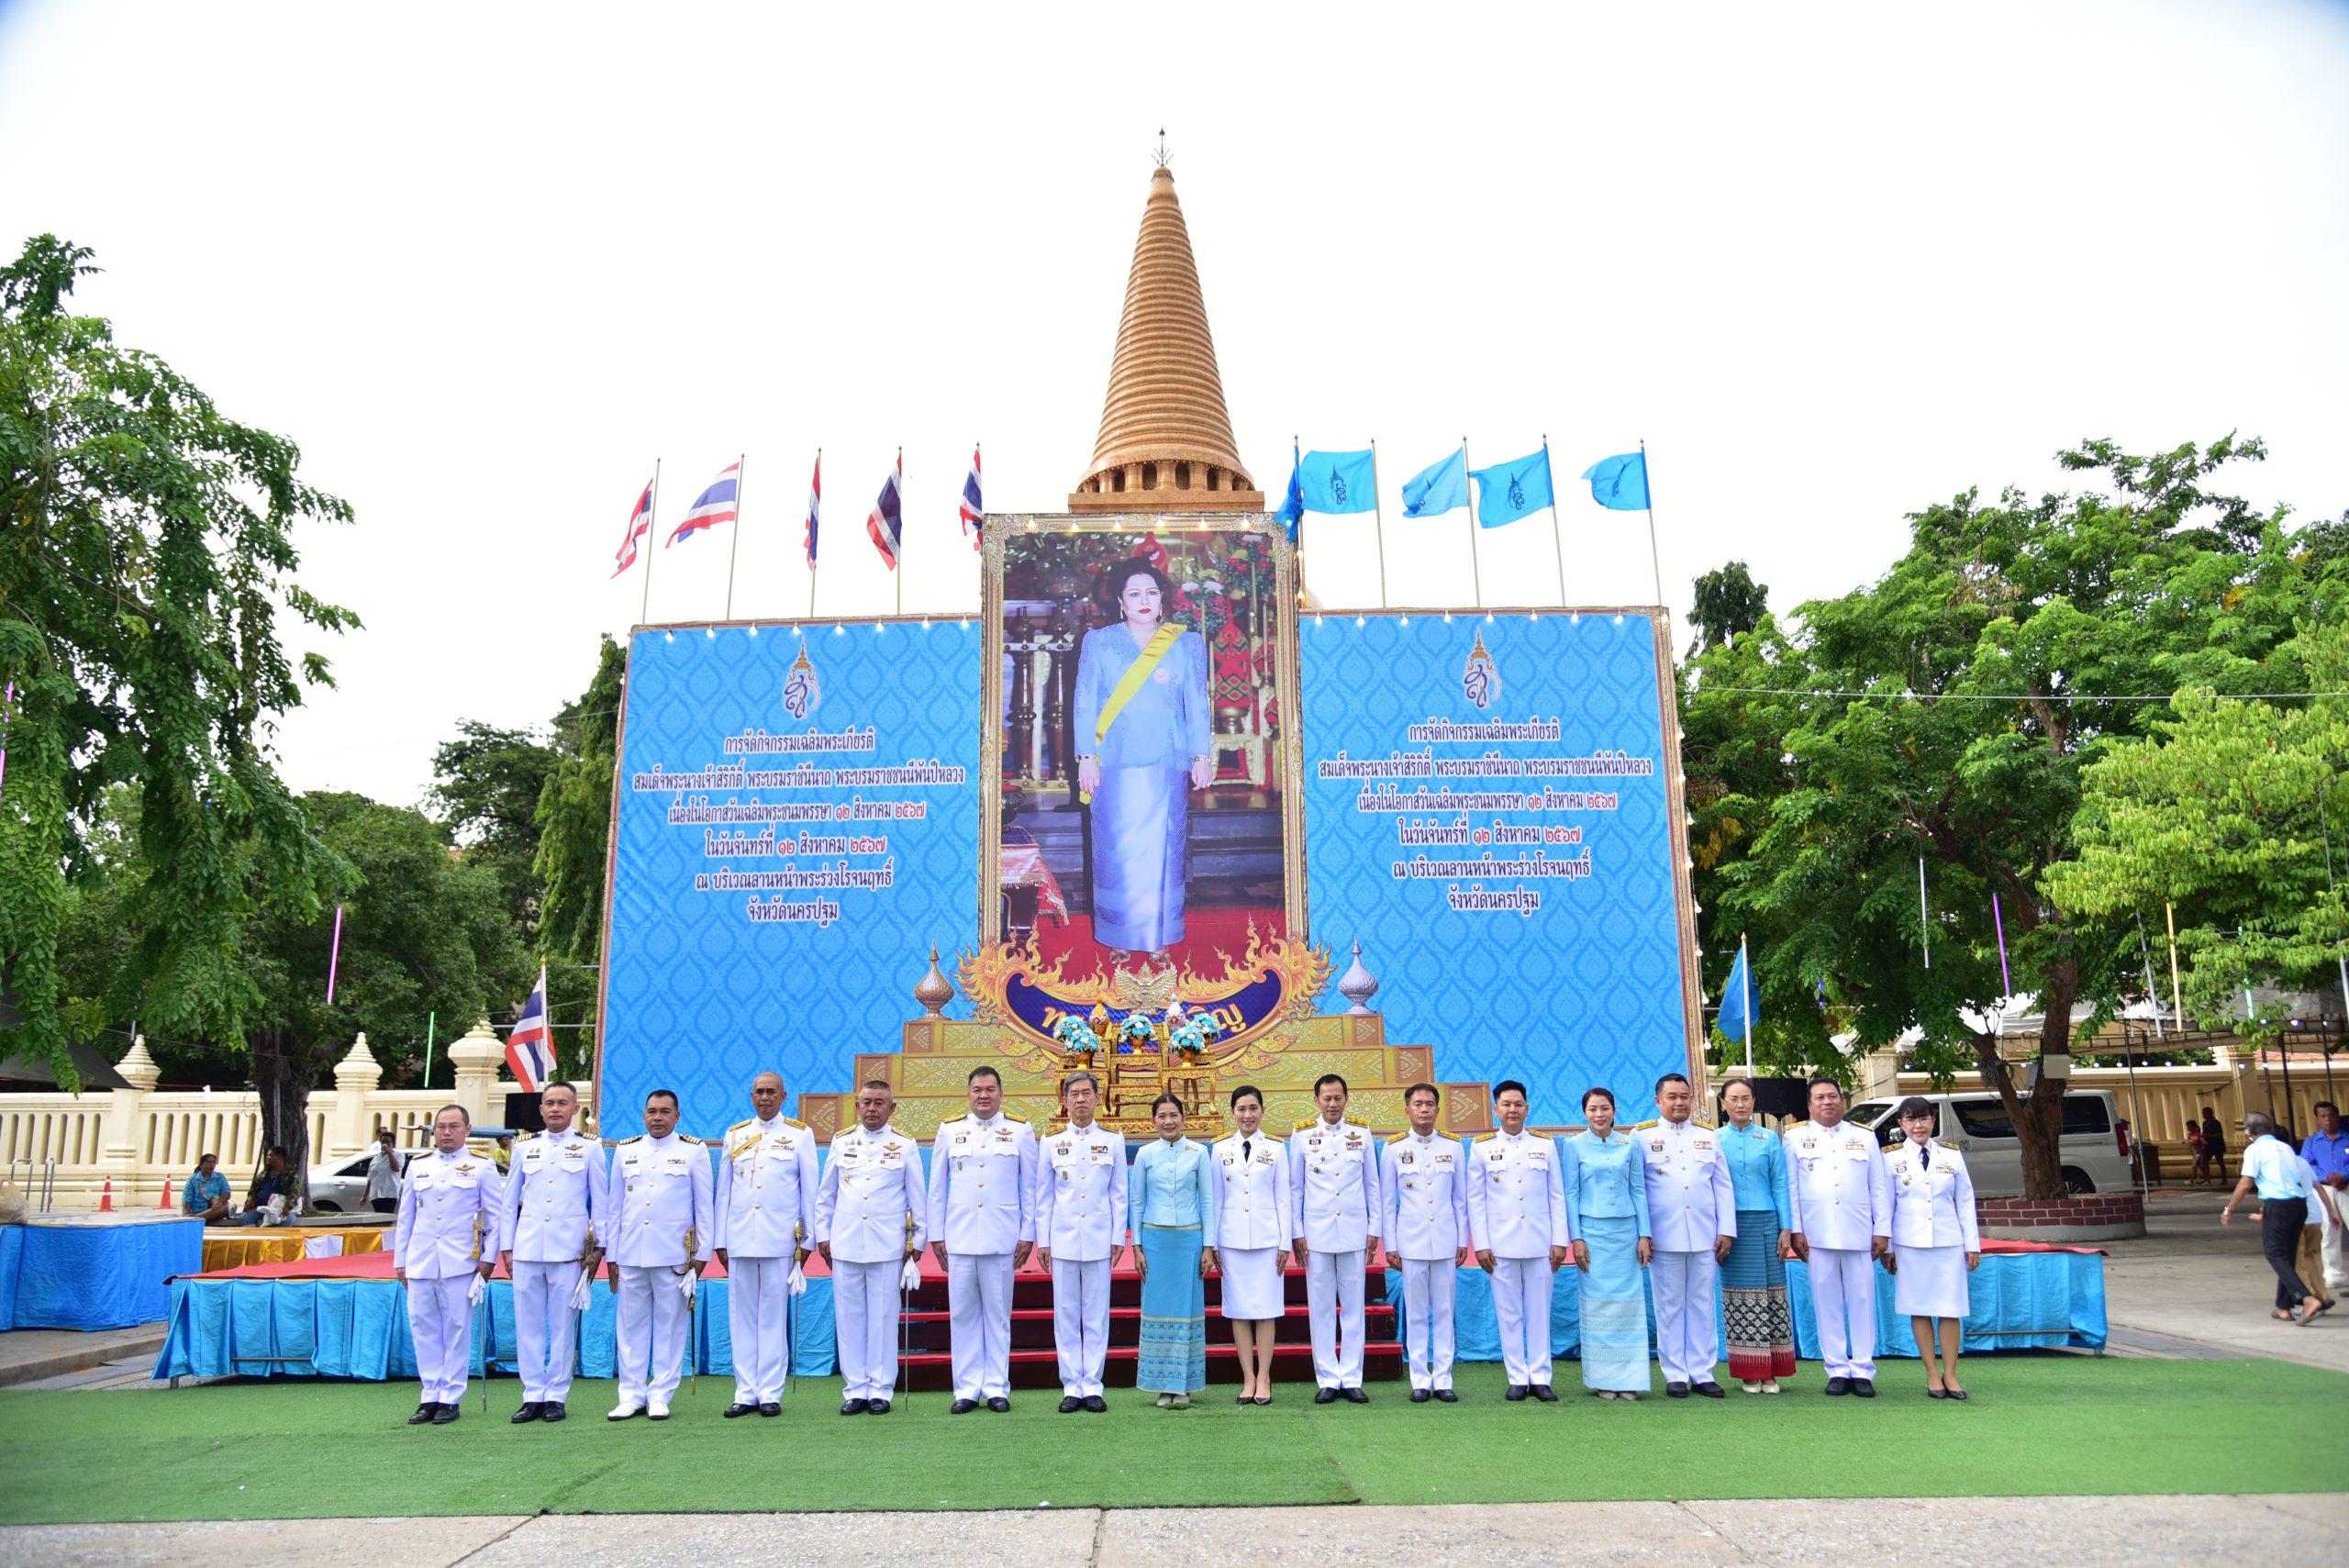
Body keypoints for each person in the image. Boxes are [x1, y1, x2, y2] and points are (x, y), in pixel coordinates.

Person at [1071, 560, 1213, 965]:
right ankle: (1119, 932)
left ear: (1161, 596)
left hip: (1167, 759)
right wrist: (1086, 757)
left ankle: (1158, 936)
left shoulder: (1186, 643)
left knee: (1164, 850)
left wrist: (1201, 755)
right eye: (1134, 593)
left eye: (1151, 592)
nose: (1144, 600)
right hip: (1113, 761)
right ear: (1120, 601)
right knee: (1116, 852)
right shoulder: (1099, 642)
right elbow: (1085, 702)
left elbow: (1197, 704)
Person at [927, 1064, 1036, 1413]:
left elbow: (1031, 1188)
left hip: (1002, 1236)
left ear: (1001, 1093)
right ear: (968, 1094)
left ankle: (996, 1387)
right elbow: (936, 1189)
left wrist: (1028, 1232)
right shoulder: (949, 1130)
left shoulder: (1020, 1131)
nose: (983, 1095)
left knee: (998, 1315)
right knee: (963, 1315)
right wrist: (936, 1234)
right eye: (977, 1090)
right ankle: (966, 1389)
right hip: (958, 1237)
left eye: (990, 1089)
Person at [815, 1080, 927, 1416]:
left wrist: (917, 1241)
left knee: (882, 1317)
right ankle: (855, 1389)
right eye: (866, 1102)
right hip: (846, 1242)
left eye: (880, 1103)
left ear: (892, 1108)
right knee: (850, 1319)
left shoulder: (904, 1145)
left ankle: (881, 1389)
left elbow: (916, 1197)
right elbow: (827, 1195)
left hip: (887, 1244)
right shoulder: (841, 1141)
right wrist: (823, 1236)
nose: (872, 1108)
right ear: (857, 1105)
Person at [497, 1080, 606, 1423]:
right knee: (527, 1324)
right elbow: (507, 1204)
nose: (555, 1108)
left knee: (562, 1324)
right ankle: (532, 1393)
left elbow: (600, 1203)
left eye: (563, 1103)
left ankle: (556, 1393)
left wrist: (599, 1246)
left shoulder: (590, 1148)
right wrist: (507, 1247)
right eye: (549, 1103)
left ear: (576, 1109)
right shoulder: (524, 1147)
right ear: (541, 1109)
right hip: (529, 1246)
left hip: (568, 1250)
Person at [714, 1071, 818, 1419]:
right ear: (751, 1095)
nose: (765, 1098)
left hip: (779, 1240)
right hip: (741, 1238)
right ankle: (745, 1391)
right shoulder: (735, 1135)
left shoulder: (800, 1136)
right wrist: (720, 1241)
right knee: (741, 1318)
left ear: (784, 1096)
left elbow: (809, 1191)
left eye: (771, 1092)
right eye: (759, 1092)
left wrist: (806, 1241)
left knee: (773, 1317)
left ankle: (770, 1392)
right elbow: (723, 1193)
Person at [603, 1089, 713, 1421]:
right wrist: (611, 1254)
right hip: (632, 1252)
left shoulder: (693, 1151)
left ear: (677, 1116)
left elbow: (703, 1206)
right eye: (652, 1111)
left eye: (665, 1112)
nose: (658, 1117)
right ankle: (631, 1394)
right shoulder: (626, 1151)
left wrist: (702, 1253)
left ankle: (661, 1393)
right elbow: (614, 1207)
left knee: (669, 1327)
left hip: (674, 1256)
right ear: (643, 1115)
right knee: (631, 1327)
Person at [391, 1104, 502, 1426]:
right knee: (423, 1327)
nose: (447, 1132)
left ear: (467, 1129)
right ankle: (430, 1394)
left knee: (456, 1328)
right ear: (433, 1131)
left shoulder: (481, 1167)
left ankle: (451, 1396)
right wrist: (401, 1260)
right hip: (422, 1259)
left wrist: (487, 1260)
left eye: (454, 1126)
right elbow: (406, 1217)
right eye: (441, 1126)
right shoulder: (418, 1166)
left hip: (460, 1261)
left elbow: (495, 1218)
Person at [1785, 1078, 1894, 1396]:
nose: (1827, 1102)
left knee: (1862, 1302)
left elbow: (1879, 1186)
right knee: (1826, 1303)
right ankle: (1836, 1369)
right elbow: (1791, 1188)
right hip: (1816, 1235)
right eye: (1819, 1098)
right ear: (1809, 1104)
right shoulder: (1794, 1138)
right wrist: (1796, 1230)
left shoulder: (1864, 1136)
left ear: (1842, 1101)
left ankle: (1862, 1369)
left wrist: (1882, 1229)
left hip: (1859, 1233)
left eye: (1832, 1096)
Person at [1636, 1072, 1736, 1399]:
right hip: (1664, 1236)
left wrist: (1726, 1230)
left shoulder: (1708, 1136)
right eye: (1672, 1097)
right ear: (1658, 1101)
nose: (1679, 1102)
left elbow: (1722, 1185)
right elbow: (1638, 1191)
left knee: (1702, 1304)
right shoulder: (1642, 1136)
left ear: (1692, 1099)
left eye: (1685, 1096)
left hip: (1705, 1235)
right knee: (1668, 1306)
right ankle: (1675, 1373)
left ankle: (1702, 1371)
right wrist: (1644, 1234)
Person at [1467, 1079, 1568, 1403]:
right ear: (1496, 1109)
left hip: (1541, 1242)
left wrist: (1559, 1240)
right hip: (1500, 1245)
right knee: (1508, 1313)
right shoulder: (1481, 1147)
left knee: (1539, 1312)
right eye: (1506, 1104)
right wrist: (1481, 1244)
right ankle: (1516, 1377)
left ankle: (1540, 1377)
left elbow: (1557, 1195)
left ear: (1527, 1108)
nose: (1512, 1110)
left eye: (1518, 1104)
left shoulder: (1545, 1145)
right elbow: (1476, 1200)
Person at [1034, 1072, 1128, 1413]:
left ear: (1098, 1097)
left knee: (1096, 1313)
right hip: (1063, 1239)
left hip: (1100, 1238)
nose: (1080, 1100)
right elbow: (1043, 1198)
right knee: (1067, 1312)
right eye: (1073, 1094)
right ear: (1064, 1100)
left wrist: (1119, 1236)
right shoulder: (1051, 1142)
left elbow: (1119, 1195)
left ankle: (1093, 1384)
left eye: (1087, 1093)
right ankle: (1071, 1384)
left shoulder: (1113, 1140)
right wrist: (1043, 1241)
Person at [1290, 1073, 1379, 1403]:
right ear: (1316, 1100)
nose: (1332, 1104)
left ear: (1346, 1098)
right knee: (1322, 1307)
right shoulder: (1301, 1135)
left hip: (1355, 1231)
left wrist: (1375, 1229)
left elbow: (1373, 1185)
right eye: (1326, 1098)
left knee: (1354, 1306)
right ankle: (1328, 1377)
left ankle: (1352, 1377)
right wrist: (1297, 1232)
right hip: (1316, 1233)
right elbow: (1295, 1188)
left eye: (1338, 1097)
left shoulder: (1361, 1133)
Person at [1884, 1096, 1981, 1399]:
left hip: (1948, 1241)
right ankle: (1931, 1372)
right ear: (1901, 1124)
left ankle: (1951, 1374)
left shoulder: (1951, 1156)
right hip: (1909, 1243)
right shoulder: (1890, 1158)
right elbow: (1885, 1205)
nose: (1918, 1125)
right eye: (1911, 1120)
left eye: (1923, 1118)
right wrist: (1887, 1247)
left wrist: (1972, 1244)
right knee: (1920, 1308)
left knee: (1950, 1309)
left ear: (1932, 1121)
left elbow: (1965, 1201)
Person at [1563, 1087, 1652, 1400]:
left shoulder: (1630, 1143)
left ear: (1614, 1111)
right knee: (1599, 1308)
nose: (1599, 1115)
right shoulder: (1573, 1146)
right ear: (1584, 1113)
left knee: (1628, 1308)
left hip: (1627, 1234)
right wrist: (1576, 1238)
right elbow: (1570, 1194)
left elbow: (1639, 1190)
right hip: (1592, 1235)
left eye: (1604, 1108)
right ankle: (1604, 1379)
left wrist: (1645, 1235)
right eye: (1592, 1109)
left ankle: (1630, 1379)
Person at [1386, 1081, 1472, 1403]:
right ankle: (1420, 1379)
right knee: (1417, 1313)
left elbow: (1460, 1199)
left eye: (1429, 1104)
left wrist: (1463, 1239)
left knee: (1445, 1311)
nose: (1424, 1109)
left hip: (1446, 1240)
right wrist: (1391, 1244)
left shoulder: (1452, 1146)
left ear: (1438, 1109)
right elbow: (1386, 1201)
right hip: (1411, 1242)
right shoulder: (1393, 1148)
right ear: (1407, 1109)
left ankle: (1444, 1378)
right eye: (1417, 1104)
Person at [1208, 1084, 1291, 1405]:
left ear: (1262, 1111)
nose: (1247, 1115)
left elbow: (1283, 1198)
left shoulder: (1276, 1148)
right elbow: (1215, 1198)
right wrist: (1213, 1242)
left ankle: (1265, 1377)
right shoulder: (1219, 1149)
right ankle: (1248, 1377)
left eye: (1253, 1108)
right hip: (1231, 1241)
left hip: (1269, 1240)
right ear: (1233, 1112)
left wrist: (1285, 1242)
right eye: (1241, 1109)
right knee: (1239, 1311)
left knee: (1267, 1310)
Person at [1132, 1092, 1214, 1408]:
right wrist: (1137, 1247)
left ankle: (1183, 1386)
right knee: (1157, 1311)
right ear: (1153, 1121)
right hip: (1154, 1240)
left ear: (1184, 1118)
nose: (1168, 1121)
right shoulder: (1145, 1154)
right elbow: (1137, 1201)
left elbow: (1207, 1200)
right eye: (1162, 1116)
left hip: (1189, 1240)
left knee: (1187, 1313)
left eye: (1174, 1115)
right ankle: (1161, 1386)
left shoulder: (1198, 1153)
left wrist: (1209, 1246)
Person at [1717, 1080, 1796, 1393]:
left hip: (1767, 1222)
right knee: (1740, 1297)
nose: (1740, 1104)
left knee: (1771, 1295)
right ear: (1723, 1103)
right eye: (1733, 1099)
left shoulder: (1769, 1138)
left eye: (1745, 1099)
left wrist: (1786, 1228)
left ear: (1754, 1102)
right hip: (1731, 1226)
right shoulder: (1713, 1139)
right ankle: (1750, 1370)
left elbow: (1781, 1183)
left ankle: (1771, 1371)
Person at [2221, 1110, 2321, 1325]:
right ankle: (2283, 1307)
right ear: (2271, 1129)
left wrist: (2229, 1209)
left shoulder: (2254, 1150)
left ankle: (2307, 1298)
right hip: (2298, 1203)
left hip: (2279, 1204)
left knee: (2275, 1253)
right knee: (2286, 1255)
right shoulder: (2285, 1147)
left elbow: (2246, 1183)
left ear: (2248, 1132)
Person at [2300, 1101, 2348, 1292]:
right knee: (2329, 1231)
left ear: (2337, 1117)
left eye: (2331, 1115)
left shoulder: (2347, 1139)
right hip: (2325, 1189)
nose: (2327, 1120)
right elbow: (2306, 1164)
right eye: (2323, 1116)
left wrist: (2343, 1175)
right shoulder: (2311, 1141)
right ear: (2317, 1119)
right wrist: (2326, 1177)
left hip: (2346, 1187)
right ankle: (2334, 1274)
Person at [2290, 1147, 2337, 1318]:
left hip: (2297, 1214)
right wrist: (2331, 1212)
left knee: (2298, 1261)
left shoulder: (2280, 1163)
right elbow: (2319, 1187)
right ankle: (2323, 1295)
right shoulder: (2302, 1162)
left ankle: (2308, 1298)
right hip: (2315, 1215)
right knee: (2312, 1256)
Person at [220, 1146, 295, 1226]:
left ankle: (275, 1236)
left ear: (280, 1157)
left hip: (279, 1210)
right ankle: (257, 1236)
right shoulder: (263, 1174)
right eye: (267, 1155)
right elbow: (253, 1190)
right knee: (243, 1219)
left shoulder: (290, 1175)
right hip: (261, 1208)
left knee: (290, 1219)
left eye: (270, 1155)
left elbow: (295, 1193)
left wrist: (287, 1206)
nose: (267, 1158)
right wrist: (250, 1199)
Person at [181, 1153, 230, 1221]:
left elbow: (226, 1193)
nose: (212, 1165)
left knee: (224, 1208)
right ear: (201, 1165)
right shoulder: (192, 1179)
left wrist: (219, 1203)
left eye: (214, 1162)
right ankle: (195, 1218)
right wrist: (187, 1213)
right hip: (197, 1210)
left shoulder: (220, 1177)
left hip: (213, 1210)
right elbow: (187, 1198)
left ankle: (194, 1219)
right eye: (209, 1162)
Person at [365, 1128, 404, 1215]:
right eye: (383, 1142)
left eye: (388, 1142)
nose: (385, 1144)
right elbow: (370, 1177)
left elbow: (396, 1168)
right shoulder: (376, 1158)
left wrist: (389, 1153)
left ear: (393, 1143)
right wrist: (365, 1195)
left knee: (386, 1216)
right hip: (376, 1194)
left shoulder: (398, 1155)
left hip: (389, 1193)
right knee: (377, 1217)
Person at [2201, 1109, 2229, 1184]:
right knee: (2204, 1161)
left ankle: (2224, 1179)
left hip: (2217, 1145)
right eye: (2203, 1113)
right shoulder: (2205, 1123)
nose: (2203, 1115)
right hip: (2208, 1145)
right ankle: (2207, 1179)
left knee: (2220, 1162)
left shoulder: (2216, 1123)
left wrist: (2208, 1136)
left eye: (2205, 1113)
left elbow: (2219, 1134)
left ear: (2210, 1113)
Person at [2187, 1118, 2209, 1186]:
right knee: (2201, 1167)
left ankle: (2191, 1181)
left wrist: (2197, 1143)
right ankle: (2207, 1180)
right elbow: (2189, 1144)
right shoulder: (2189, 1135)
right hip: (2194, 1152)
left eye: (2189, 1126)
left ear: (2193, 1126)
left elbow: (2205, 1143)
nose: (2188, 1128)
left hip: (2199, 1152)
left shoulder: (2199, 1135)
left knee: (2194, 1166)